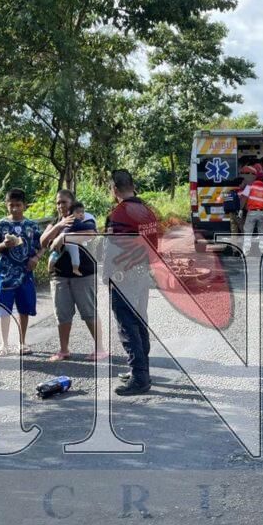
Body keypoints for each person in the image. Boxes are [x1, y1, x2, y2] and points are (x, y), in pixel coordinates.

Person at [105, 169, 160, 396]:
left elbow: (112, 248)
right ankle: (141, 370)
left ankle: (139, 378)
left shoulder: (118, 213)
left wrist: (108, 276)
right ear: (133, 185)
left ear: (114, 189)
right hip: (143, 272)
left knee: (127, 325)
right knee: (139, 321)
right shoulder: (148, 211)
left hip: (124, 275)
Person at [40, 190, 105, 362]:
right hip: (59, 275)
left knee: (89, 311)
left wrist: (64, 237)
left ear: (73, 203)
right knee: (62, 314)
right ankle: (63, 350)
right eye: (58, 203)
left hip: (83, 272)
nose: (61, 206)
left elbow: (91, 234)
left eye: (64, 202)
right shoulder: (56, 222)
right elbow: (43, 242)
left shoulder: (83, 217)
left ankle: (100, 349)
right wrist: (58, 227)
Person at [0, 189, 43, 355]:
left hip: (25, 274)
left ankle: (22, 342)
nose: (14, 208)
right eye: (11, 205)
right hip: (5, 275)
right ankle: (4, 344)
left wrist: (36, 259)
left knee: (24, 310)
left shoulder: (32, 225)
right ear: (6, 205)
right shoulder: (2, 225)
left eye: (18, 205)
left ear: (24, 205)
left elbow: (42, 246)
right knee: (4, 309)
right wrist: (5, 245)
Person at [239, 164, 263, 255]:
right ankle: (262, 250)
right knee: (262, 232)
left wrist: (241, 210)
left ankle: (246, 251)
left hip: (251, 213)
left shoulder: (250, 186)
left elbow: (244, 198)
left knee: (248, 231)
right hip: (261, 213)